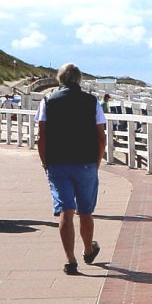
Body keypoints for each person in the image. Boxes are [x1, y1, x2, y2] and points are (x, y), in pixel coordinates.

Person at [38, 63, 106, 276]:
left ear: (60, 79)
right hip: (85, 162)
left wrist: (45, 162)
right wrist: (96, 162)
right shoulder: (91, 101)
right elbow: (101, 136)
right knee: (85, 211)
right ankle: (87, 249)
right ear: (79, 80)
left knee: (66, 211)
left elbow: (42, 136)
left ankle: (70, 260)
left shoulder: (48, 101)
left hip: (58, 163)